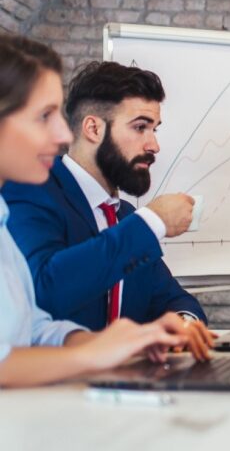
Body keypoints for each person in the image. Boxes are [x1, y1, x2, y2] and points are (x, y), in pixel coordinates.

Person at [0, 35, 211, 388]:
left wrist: (145, 336)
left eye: (154, 129)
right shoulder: (29, 191)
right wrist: (153, 221)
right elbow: (46, 291)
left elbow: (32, 325)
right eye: (44, 116)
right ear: (93, 128)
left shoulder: (123, 216)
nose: (154, 145)